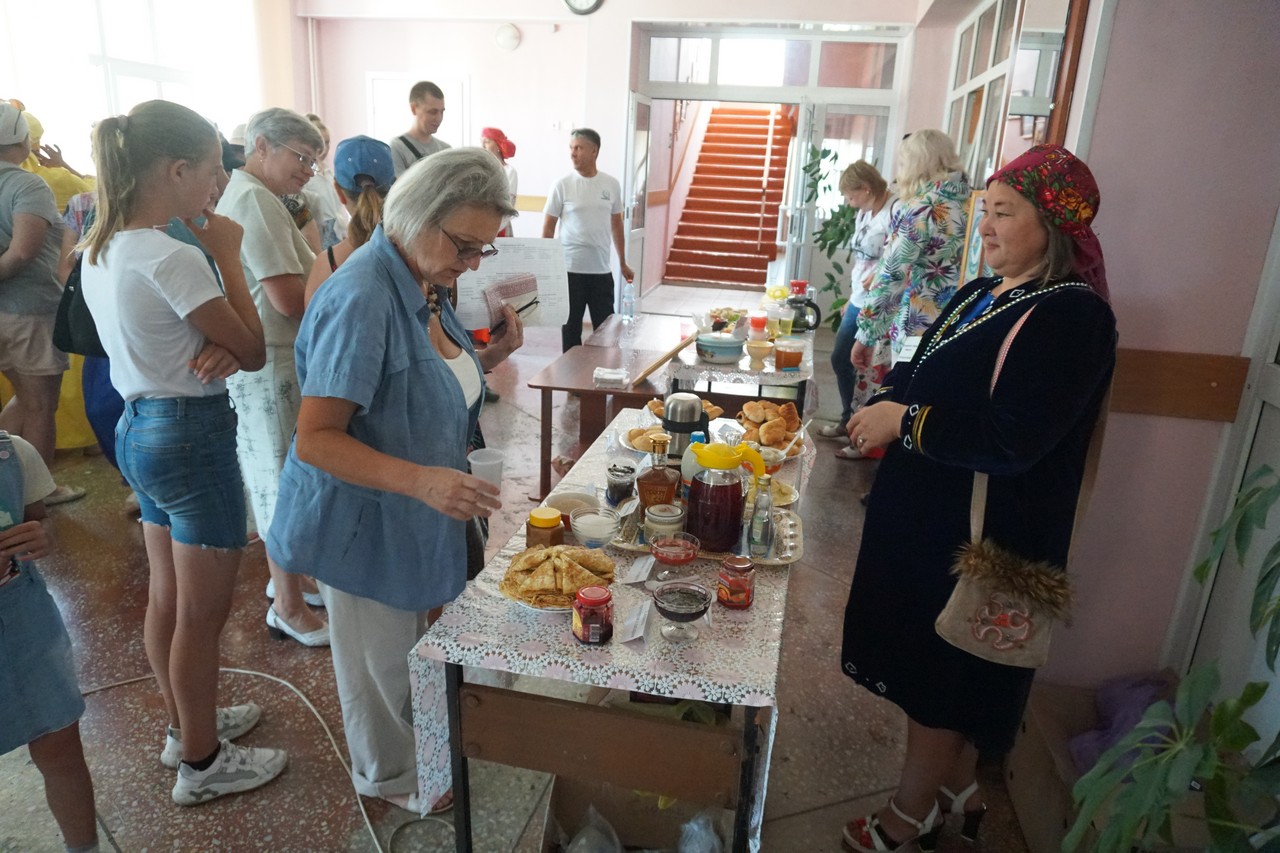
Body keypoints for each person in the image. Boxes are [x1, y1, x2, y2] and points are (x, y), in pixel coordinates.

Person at [839, 144, 1115, 851]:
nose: (984, 227)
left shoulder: (1071, 317)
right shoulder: (982, 291)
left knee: (943, 680)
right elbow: (925, 366)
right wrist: (886, 399)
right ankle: (955, 789)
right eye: (984, 211)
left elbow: (1013, 439)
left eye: (1003, 213)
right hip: (927, 519)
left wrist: (902, 420)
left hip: (980, 538)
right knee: (926, 663)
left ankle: (908, 815)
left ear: (1052, 224)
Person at [268, 147, 523, 814]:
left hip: (413, 507)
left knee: (415, 646)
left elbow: (422, 384)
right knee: (378, 665)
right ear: (415, 214)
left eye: (481, 252)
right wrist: (425, 482)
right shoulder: (362, 297)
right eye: (464, 245)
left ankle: (424, 752)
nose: (469, 263)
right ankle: (387, 778)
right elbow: (316, 438)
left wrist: (490, 354)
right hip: (366, 519)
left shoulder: (423, 283)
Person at [79, 99, 284, 805]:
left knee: (167, 595)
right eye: (209, 173)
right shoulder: (173, 255)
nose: (215, 188)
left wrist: (214, 344)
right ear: (174, 169)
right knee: (202, 614)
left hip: (139, 427)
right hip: (190, 439)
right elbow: (254, 350)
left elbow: (202, 343)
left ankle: (182, 723)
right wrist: (228, 254)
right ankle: (200, 761)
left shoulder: (102, 246)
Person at [215, 108, 329, 647]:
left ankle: (294, 578)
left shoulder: (261, 198)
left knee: (284, 472)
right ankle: (286, 604)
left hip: (280, 357)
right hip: (272, 361)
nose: (308, 170)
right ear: (261, 146)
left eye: (314, 161)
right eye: (301, 157)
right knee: (279, 481)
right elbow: (287, 296)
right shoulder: (254, 200)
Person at [0, 429, 99, 852]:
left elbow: (39, 523)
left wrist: (40, 536)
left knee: (60, 746)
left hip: (26, 626)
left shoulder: (14, 455)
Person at [850, 129, 971, 448]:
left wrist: (866, 334)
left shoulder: (921, 208)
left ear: (916, 163)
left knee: (904, 409)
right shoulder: (972, 205)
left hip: (917, 328)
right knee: (933, 411)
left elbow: (890, 275)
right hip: (959, 326)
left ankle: (894, 484)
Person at [0, 103, 81, 505]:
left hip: (8, 313)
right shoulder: (27, 185)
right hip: (28, 308)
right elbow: (22, 253)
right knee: (39, 405)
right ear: (24, 140)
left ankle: (6, 480)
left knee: (22, 396)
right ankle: (37, 493)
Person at [819, 161, 899, 456]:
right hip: (859, 300)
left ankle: (864, 437)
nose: (848, 203)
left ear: (866, 188)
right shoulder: (865, 213)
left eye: (851, 196)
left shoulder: (895, 210)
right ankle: (848, 420)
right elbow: (861, 261)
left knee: (869, 371)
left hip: (881, 304)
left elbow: (898, 256)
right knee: (842, 358)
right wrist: (850, 297)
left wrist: (876, 277)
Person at [542, 128, 633, 352]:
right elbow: (548, 229)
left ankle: (602, 372)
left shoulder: (611, 184)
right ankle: (571, 377)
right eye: (571, 148)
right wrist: (546, 266)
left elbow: (616, 224)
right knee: (571, 328)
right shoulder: (562, 185)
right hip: (570, 271)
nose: (573, 153)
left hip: (601, 272)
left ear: (594, 151)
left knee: (605, 329)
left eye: (579, 148)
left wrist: (622, 261)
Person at [305, 134, 395, 302]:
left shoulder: (326, 265)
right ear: (394, 187)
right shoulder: (415, 255)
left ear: (338, 191)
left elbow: (312, 325)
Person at [302, 113, 349, 250]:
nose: (325, 148)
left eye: (327, 142)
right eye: (321, 143)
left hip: (337, 231)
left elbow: (338, 205)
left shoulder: (328, 171)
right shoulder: (306, 174)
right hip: (318, 230)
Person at [389, 81, 450, 177]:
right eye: (432, 112)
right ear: (413, 109)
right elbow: (399, 190)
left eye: (441, 112)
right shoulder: (396, 148)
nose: (439, 118)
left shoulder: (446, 150)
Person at [480, 126, 517, 237]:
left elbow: (508, 206)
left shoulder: (509, 172)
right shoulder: (479, 169)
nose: (482, 146)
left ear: (498, 145)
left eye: (486, 142)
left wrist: (491, 229)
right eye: (481, 142)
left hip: (499, 227)